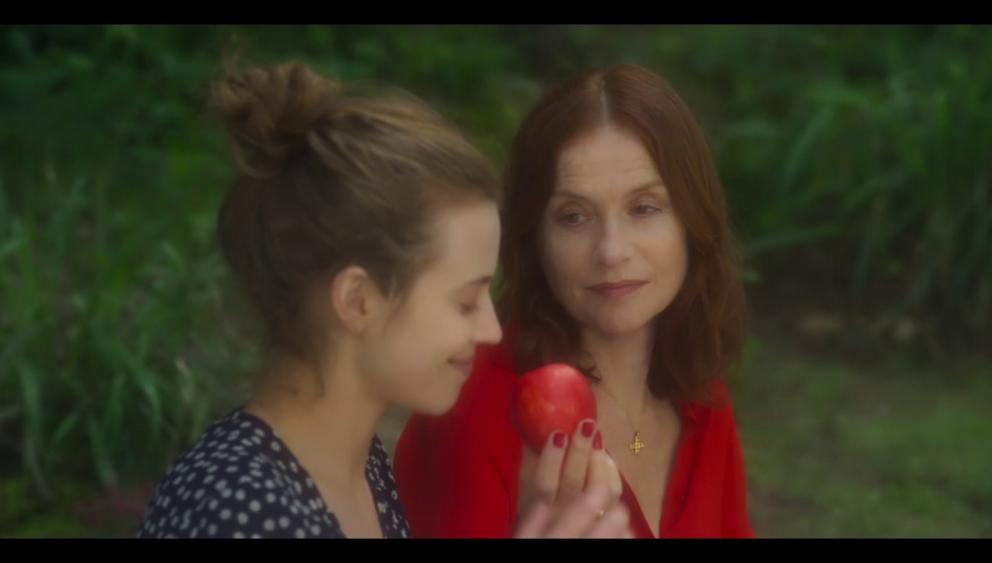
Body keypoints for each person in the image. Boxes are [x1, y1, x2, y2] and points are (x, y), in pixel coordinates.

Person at [137, 60, 631, 539]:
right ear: (358, 301)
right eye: (465, 302)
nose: (492, 331)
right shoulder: (241, 511)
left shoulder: (357, 464)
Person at [394, 63, 753, 538]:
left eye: (644, 208)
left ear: (692, 220)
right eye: (573, 217)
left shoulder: (699, 387)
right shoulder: (475, 406)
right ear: (533, 237)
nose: (611, 251)